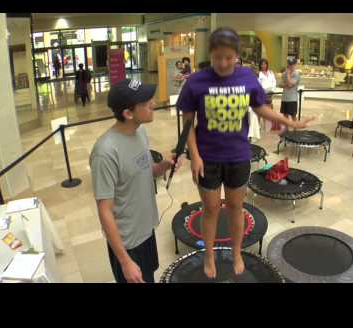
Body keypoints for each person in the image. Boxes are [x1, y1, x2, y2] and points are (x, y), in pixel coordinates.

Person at [177, 27, 315, 279]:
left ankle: (237, 251)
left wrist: (291, 122)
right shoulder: (196, 82)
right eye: (218, 57)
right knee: (210, 210)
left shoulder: (247, 78)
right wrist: (194, 156)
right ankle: (208, 255)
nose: (222, 63)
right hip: (207, 158)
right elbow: (188, 123)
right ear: (211, 54)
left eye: (228, 58)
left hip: (238, 157)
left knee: (235, 208)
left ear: (237, 56)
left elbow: (261, 109)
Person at [90, 79, 182, 283]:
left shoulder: (140, 131)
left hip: (146, 230)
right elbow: (104, 210)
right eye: (146, 102)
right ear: (128, 113)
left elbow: (146, 171)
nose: (154, 104)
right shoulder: (105, 153)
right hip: (127, 243)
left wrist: (164, 166)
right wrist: (124, 261)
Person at [280, 58, 300, 134]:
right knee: (285, 115)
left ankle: (295, 130)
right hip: (285, 97)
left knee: (293, 115)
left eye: (292, 64)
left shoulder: (296, 74)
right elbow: (280, 84)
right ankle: (286, 129)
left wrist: (288, 75)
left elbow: (291, 84)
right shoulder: (284, 73)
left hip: (292, 98)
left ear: (295, 65)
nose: (290, 66)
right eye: (289, 64)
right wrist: (287, 84)